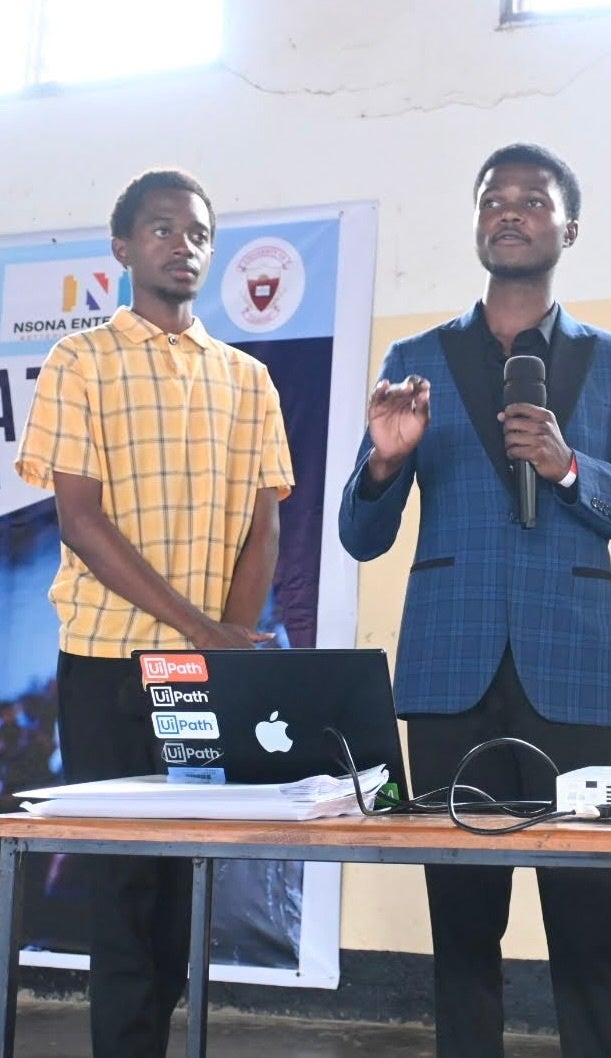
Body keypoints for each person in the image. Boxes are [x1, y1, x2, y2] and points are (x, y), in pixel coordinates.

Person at [339, 143, 611, 1058]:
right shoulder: (416, 361)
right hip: (448, 676)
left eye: (533, 200)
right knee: (461, 925)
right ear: (477, 223)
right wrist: (386, 463)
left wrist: (570, 469)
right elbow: (360, 537)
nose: (510, 211)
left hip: (575, 675)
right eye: (494, 198)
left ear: (569, 229)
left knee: (590, 922)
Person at [15, 169, 295, 1058]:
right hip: (107, 663)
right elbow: (80, 520)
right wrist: (202, 628)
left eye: (199, 233)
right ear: (124, 248)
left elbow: (263, 525)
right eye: (163, 229)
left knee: (180, 886)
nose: (184, 245)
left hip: (201, 674)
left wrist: (225, 647)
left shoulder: (248, 380)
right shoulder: (81, 361)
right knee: (123, 885)